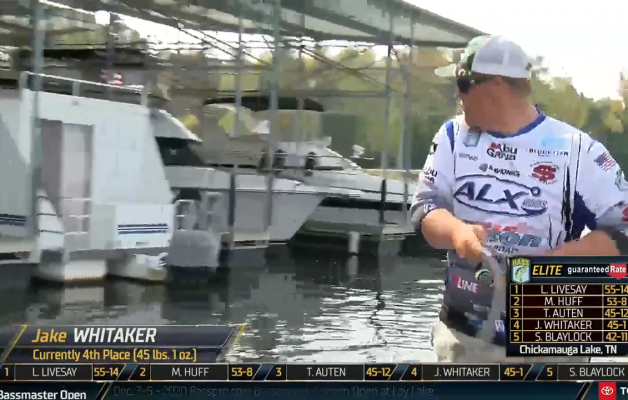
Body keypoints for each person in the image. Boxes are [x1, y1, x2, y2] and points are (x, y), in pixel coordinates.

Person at [412, 35, 627, 362]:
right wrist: (457, 233)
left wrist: (537, 271)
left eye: (464, 84)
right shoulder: (453, 136)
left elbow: (622, 231)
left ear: (496, 85)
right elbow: (425, 208)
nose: (457, 95)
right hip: (464, 338)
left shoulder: (578, 151)